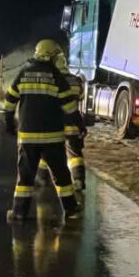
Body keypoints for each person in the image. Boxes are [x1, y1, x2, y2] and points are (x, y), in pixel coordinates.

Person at [4, 40, 78, 221]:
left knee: (25, 178)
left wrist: (9, 123)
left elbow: (9, 100)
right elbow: (70, 107)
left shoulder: (23, 73)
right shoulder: (56, 76)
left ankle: (19, 213)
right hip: (53, 137)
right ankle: (71, 211)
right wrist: (76, 128)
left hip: (28, 137)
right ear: (50, 56)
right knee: (61, 176)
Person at [55, 53, 87, 193]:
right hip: (73, 123)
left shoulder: (52, 80)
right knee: (75, 154)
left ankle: (43, 179)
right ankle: (79, 180)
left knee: (48, 152)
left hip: (55, 125)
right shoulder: (75, 80)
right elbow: (81, 96)